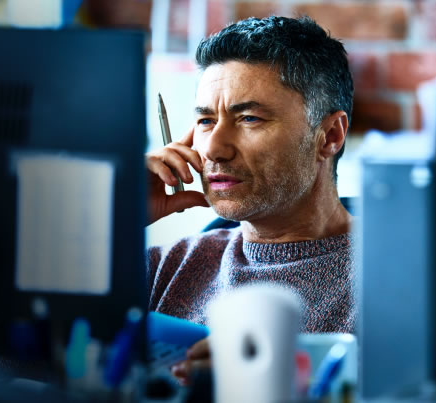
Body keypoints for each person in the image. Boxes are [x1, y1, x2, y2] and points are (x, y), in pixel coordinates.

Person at [145, 15, 355, 384]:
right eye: (206, 121)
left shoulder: (393, 287)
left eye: (249, 119)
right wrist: (110, 221)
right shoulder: (167, 267)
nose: (213, 148)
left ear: (330, 136)